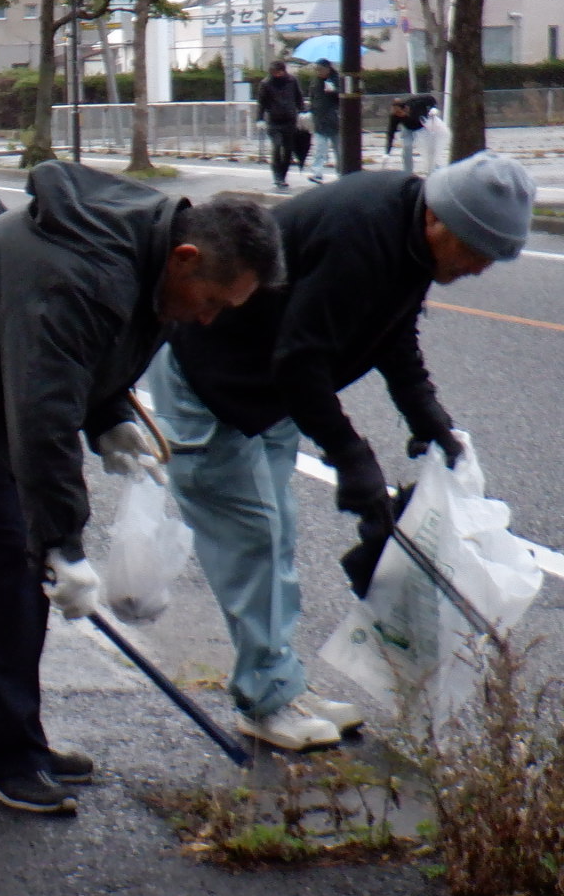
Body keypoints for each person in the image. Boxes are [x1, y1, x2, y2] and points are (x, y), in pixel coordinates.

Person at [0, 163, 285, 814]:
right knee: (8, 566)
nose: (206, 320)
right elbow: (41, 418)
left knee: (13, 563)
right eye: (210, 302)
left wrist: (113, 416)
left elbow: (88, 360)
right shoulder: (80, 277)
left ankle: (4, 737)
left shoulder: (150, 254)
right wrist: (63, 544)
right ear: (186, 256)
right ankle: (4, 758)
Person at [150, 149, 535, 751]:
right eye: (476, 251)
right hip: (216, 382)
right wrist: (351, 457)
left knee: (275, 537)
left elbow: (392, 329)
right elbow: (301, 358)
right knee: (255, 542)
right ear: (439, 221)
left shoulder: (410, 238)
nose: (478, 268)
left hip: (269, 391)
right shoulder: (362, 235)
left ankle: (279, 683)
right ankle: (266, 700)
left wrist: (424, 411)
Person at [255, 60, 307, 191]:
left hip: (290, 120)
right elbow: (261, 102)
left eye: (278, 72)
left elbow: (298, 97)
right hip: (274, 121)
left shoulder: (292, 81)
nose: (276, 75)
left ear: (284, 71)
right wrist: (260, 119)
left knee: (288, 150)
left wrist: (302, 111)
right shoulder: (266, 84)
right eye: (274, 72)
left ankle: (283, 176)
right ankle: (277, 177)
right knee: (277, 147)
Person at [385, 94, 446, 174]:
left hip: (423, 126)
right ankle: (407, 173)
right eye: (396, 113)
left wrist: (434, 107)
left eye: (400, 112)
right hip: (408, 129)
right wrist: (387, 152)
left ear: (405, 109)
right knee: (407, 147)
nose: (399, 115)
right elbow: (391, 132)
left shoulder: (415, 103)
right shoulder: (395, 116)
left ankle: (435, 170)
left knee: (429, 149)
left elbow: (430, 98)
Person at [305, 59, 340, 183]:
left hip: (335, 120)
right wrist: (310, 111)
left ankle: (342, 173)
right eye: (316, 69)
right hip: (320, 119)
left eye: (320, 69)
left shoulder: (337, 80)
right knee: (320, 148)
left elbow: (343, 99)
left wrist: (334, 91)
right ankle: (317, 173)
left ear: (328, 69)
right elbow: (313, 98)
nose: (318, 72)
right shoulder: (316, 82)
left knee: (339, 149)